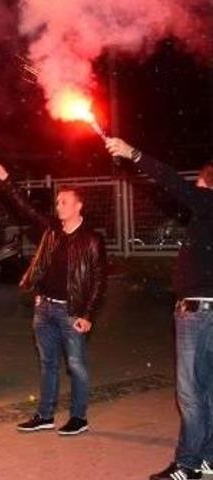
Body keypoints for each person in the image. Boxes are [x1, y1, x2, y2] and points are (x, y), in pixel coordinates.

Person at [106, 139, 213, 480]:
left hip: (198, 313)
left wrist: (133, 153)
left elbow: (171, 181)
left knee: (190, 392)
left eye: (198, 185)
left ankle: (188, 464)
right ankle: (208, 457)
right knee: (207, 389)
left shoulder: (208, 204)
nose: (192, 193)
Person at [0, 143, 106, 436]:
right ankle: (45, 415)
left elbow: (99, 279)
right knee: (48, 364)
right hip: (45, 308)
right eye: (58, 202)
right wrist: (5, 180)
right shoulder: (51, 229)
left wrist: (88, 314)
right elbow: (26, 208)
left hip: (71, 312)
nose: (58, 206)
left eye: (64, 202)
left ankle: (79, 417)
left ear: (78, 206)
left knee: (76, 366)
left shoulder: (91, 240)